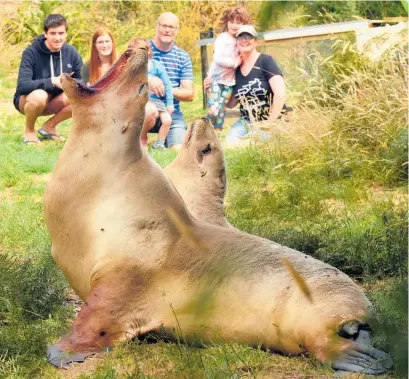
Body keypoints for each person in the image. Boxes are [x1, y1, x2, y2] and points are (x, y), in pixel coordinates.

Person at [14, 14, 82, 144]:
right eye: (53, 33)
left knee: (81, 96)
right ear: (45, 34)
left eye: (61, 33)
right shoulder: (31, 52)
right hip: (29, 101)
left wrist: (68, 83)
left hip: (55, 101)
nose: (57, 38)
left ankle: (49, 127)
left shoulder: (71, 52)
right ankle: (29, 132)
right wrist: (51, 81)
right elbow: (22, 86)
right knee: (40, 95)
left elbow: (82, 80)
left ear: (66, 34)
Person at [225, 25, 286, 147]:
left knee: (254, 145)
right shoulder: (235, 68)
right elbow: (230, 104)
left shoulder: (265, 61)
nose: (244, 40)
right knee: (229, 145)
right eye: (240, 37)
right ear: (236, 42)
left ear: (255, 41)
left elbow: (280, 94)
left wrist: (269, 123)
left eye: (248, 36)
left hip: (269, 119)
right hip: (246, 121)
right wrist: (218, 83)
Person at [144, 12, 194, 151]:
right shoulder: (143, 48)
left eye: (172, 27)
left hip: (171, 112)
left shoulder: (182, 57)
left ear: (177, 30)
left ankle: (165, 141)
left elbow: (189, 93)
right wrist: (148, 80)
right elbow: (126, 78)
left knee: (178, 150)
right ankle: (141, 140)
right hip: (143, 109)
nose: (167, 30)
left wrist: (166, 89)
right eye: (164, 26)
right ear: (157, 26)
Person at [205, 6, 250, 133]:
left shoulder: (241, 40)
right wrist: (234, 63)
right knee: (213, 109)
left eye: (238, 22)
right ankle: (204, 132)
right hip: (215, 80)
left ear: (244, 24)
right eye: (231, 22)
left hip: (229, 82)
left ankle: (217, 135)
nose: (234, 25)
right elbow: (218, 58)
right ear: (227, 23)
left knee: (221, 111)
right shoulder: (223, 38)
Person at [141, 43, 174, 150]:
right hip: (142, 100)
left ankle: (159, 143)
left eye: (144, 50)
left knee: (167, 120)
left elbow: (167, 84)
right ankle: (141, 138)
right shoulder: (134, 67)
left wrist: (170, 103)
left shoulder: (156, 65)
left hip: (157, 100)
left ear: (149, 51)